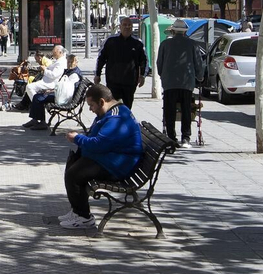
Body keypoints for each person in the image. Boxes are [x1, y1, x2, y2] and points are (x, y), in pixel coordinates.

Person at [57, 84, 143, 230]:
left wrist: (77, 139)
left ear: (102, 102)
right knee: (74, 162)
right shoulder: (110, 113)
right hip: (111, 158)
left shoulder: (116, 118)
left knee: (74, 173)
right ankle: (78, 211)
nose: (90, 109)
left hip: (117, 165)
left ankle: (83, 217)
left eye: (91, 105)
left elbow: (99, 143)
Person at [155, 19, 205, 147]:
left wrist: (163, 75)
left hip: (169, 82)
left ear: (173, 30)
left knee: (169, 110)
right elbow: (198, 63)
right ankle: (186, 138)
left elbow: (159, 63)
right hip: (187, 82)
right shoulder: (193, 44)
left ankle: (171, 137)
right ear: (185, 32)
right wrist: (199, 77)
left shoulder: (165, 44)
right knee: (186, 110)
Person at [95, 17, 148, 107]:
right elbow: (101, 58)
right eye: (124, 25)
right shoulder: (111, 41)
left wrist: (142, 76)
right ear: (120, 27)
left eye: (129, 25)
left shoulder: (137, 43)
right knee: (112, 107)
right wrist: (97, 74)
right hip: (113, 82)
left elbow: (144, 60)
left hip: (130, 82)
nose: (127, 27)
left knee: (127, 108)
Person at [23, 45, 70, 129]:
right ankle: (36, 114)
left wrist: (45, 69)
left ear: (60, 52)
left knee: (31, 89)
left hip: (51, 84)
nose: (53, 53)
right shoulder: (58, 60)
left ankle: (37, 113)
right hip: (47, 81)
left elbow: (54, 75)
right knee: (32, 90)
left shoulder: (61, 62)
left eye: (54, 52)